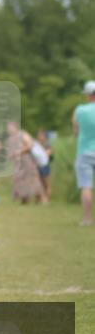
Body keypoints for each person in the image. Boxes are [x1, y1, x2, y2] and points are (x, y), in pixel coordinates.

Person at [72, 80, 95, 227]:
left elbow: (75, 131)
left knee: (86, 186)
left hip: (84, 151)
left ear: (88, 95)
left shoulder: (79, 110)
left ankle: (87, 219)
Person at [6, 120, 45, 205]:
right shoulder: (10, 139)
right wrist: (11, 155)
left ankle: (40, 198)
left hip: (27, 160)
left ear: (15, 127)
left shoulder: (22, 134)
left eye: (10, 127)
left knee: (32, 180)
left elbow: (30, 145)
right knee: (19, 180)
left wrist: (19, 151)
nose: (8, 129)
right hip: (18, 163)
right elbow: (10, 151)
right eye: (8, 128)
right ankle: (25, 199)